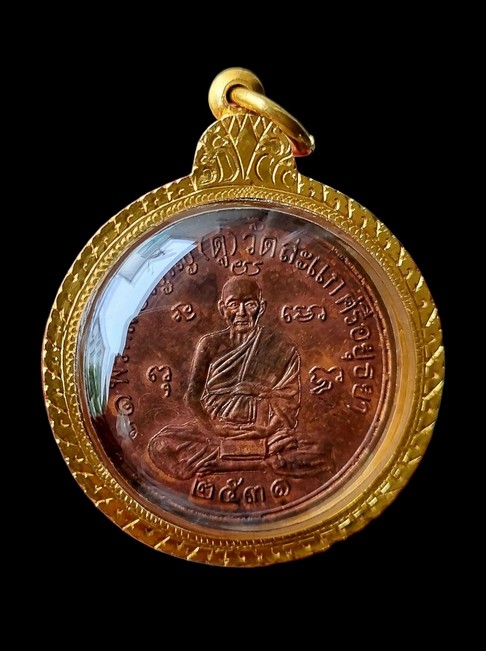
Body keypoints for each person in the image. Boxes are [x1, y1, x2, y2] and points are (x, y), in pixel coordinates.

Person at [148, 277, 330, 479]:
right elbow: (192, 397)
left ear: (261, 307)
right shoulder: (209, 344)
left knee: (321, 447)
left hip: (264, 429)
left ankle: (232, 462)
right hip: (216, 428)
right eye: (234, 305)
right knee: (161, 445)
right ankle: (263, 459)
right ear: (222, 308)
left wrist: (264, 428)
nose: (242, 313)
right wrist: (213, 427)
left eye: (250, 304)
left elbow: (288, 399)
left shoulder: (282, 347)